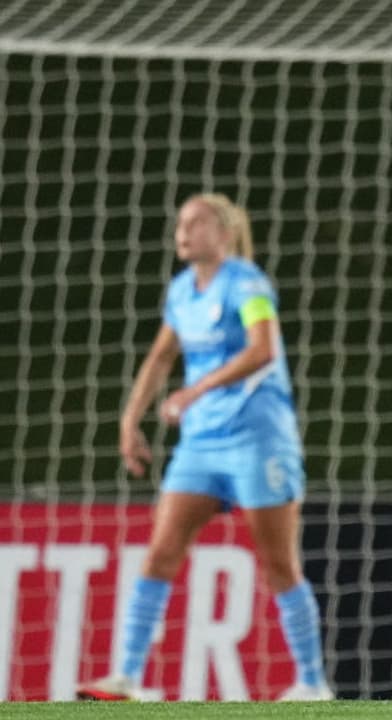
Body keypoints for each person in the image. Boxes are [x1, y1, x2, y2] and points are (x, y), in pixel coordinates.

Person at [77, 194, 332, 702]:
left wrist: (196, 390)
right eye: (180, 223)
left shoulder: (248, 284)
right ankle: (126, 677)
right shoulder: (181, 291)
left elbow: (263, 350)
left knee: (278, 562)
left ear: (225, 231)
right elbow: (160, 356)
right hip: (200, 446)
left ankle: (311, 683)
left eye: (196, 222)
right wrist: (130, 421)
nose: (183, 231)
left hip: (258, 439)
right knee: (160, 553)